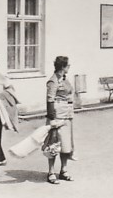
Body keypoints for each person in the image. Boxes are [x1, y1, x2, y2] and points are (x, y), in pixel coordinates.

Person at [46, 56, 75, 184]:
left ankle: (63, 170)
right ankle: (51, 172)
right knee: (53, 144)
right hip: (57, 116)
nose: (69, 67)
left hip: (67, 115)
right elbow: (50, 99)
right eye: (68, 65)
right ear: (62, 67)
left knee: (66, 145)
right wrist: (52, 118)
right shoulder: (53, 81)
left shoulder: (64, 79)